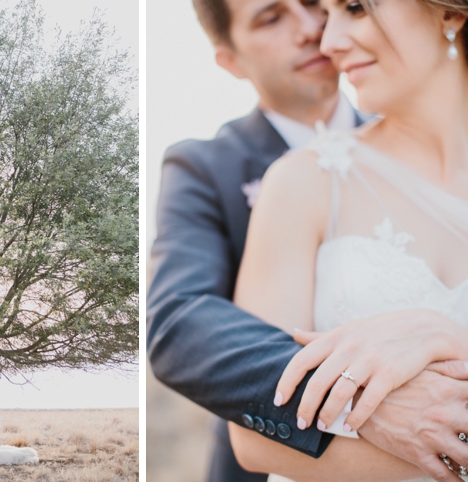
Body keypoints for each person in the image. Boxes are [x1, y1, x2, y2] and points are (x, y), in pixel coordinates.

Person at [147, 0, 468, 480]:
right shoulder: (230, 170)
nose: (319, 32)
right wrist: (355, 397)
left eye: (334, 6)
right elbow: (180, 320)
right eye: (272, 17)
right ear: (231, 61)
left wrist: (444, 337)